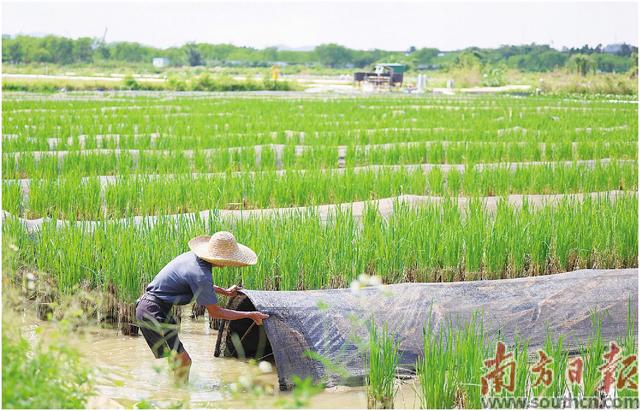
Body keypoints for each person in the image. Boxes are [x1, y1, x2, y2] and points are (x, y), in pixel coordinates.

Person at [135, 231, 269, 381]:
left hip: (156, 309)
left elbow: (196, 284)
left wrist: (224, 292)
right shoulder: (201, 274)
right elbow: (215, 312)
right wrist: (249, 315)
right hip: (152, 312)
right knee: (184, 362)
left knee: (177, 361)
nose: (227, 264)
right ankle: (181, 396)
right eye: (227, 259)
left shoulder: (193, 258)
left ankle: (174, 393)